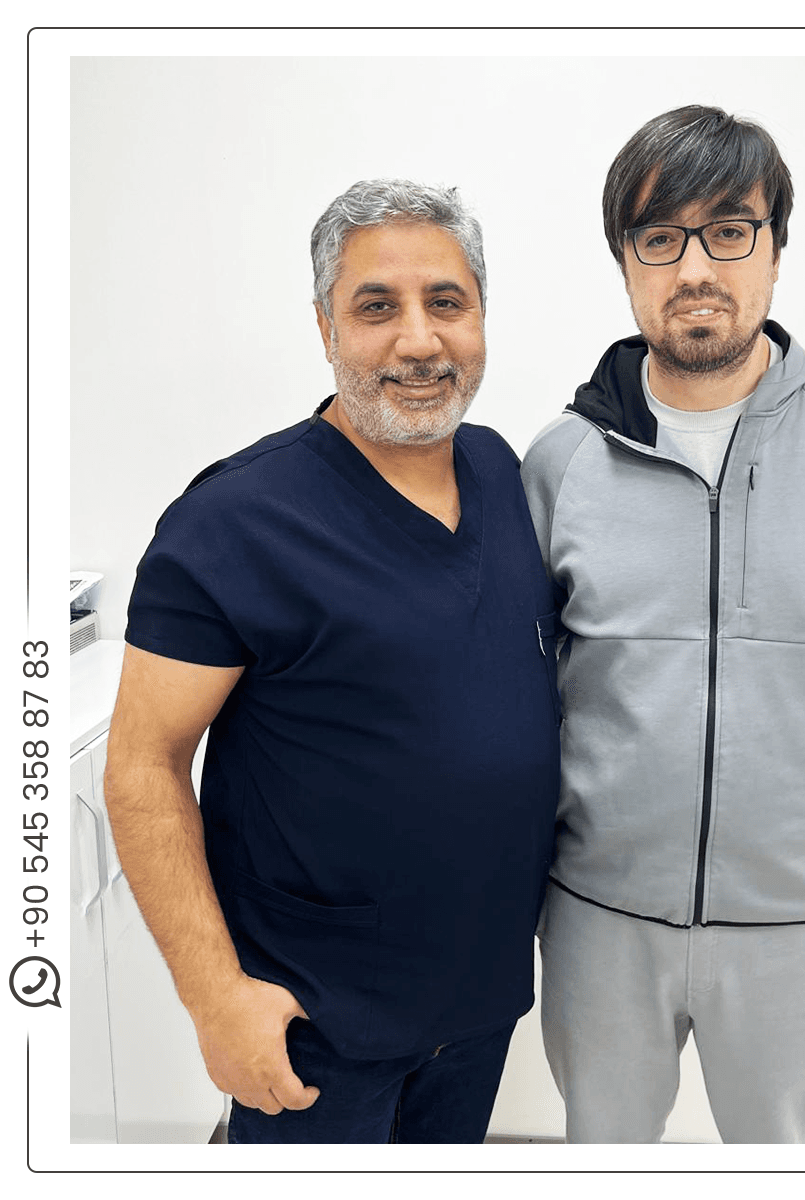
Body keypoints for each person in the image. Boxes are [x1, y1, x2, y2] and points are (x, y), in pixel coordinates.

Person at [521, 106, 805, 1144]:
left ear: (774, 247)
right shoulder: (561, 462)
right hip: (596, 918)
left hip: (794, 928)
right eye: (659, 238)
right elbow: (513, 691)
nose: (695, 269)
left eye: (729, 231)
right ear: (625, 262)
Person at [104, 179, 561, 1144]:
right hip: (312, 1021)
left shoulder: (502, 473)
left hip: (479, 1003)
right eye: (376, 307)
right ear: (325, 327)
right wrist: (215, 998)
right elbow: (143, 766)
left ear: (481, 317)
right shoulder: (232, 522)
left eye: (447, 302)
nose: (419, 341)